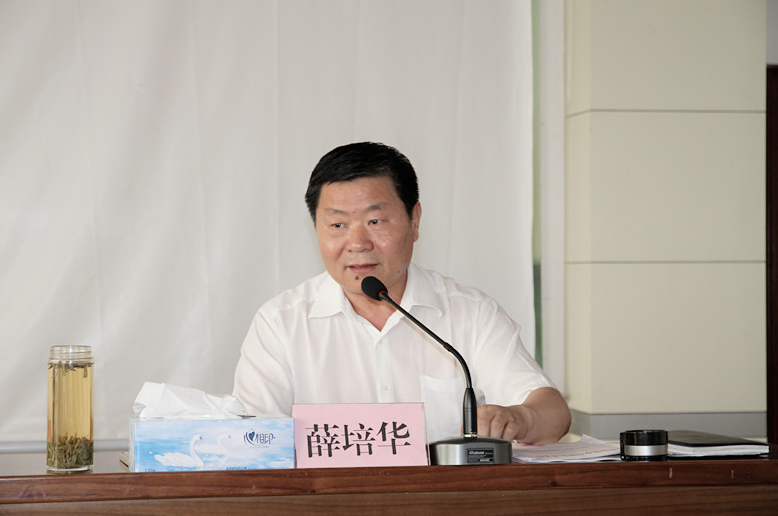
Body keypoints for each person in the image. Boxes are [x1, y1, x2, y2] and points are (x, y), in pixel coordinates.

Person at [233, 142, 571, 444]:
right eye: (337, 225)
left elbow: (552, 413)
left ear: (415, 220)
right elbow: (251, 440)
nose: (357, 243)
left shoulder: (471, 314)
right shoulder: (280, 323)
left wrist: (520, 418)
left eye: (375, 222)